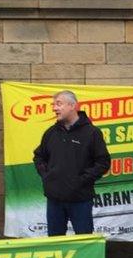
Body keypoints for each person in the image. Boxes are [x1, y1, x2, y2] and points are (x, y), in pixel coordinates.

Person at [33, 90, 111, 236]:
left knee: (83, 242)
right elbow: (38, 157)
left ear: (73, 106)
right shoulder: (51, 133)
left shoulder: (92, 133)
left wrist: (80, 181)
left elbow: (103, 163)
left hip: (80, 200)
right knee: (55, 243)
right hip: (54, 200)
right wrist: (47, 176)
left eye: (59, 104)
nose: (54, 108)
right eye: (53, 105)